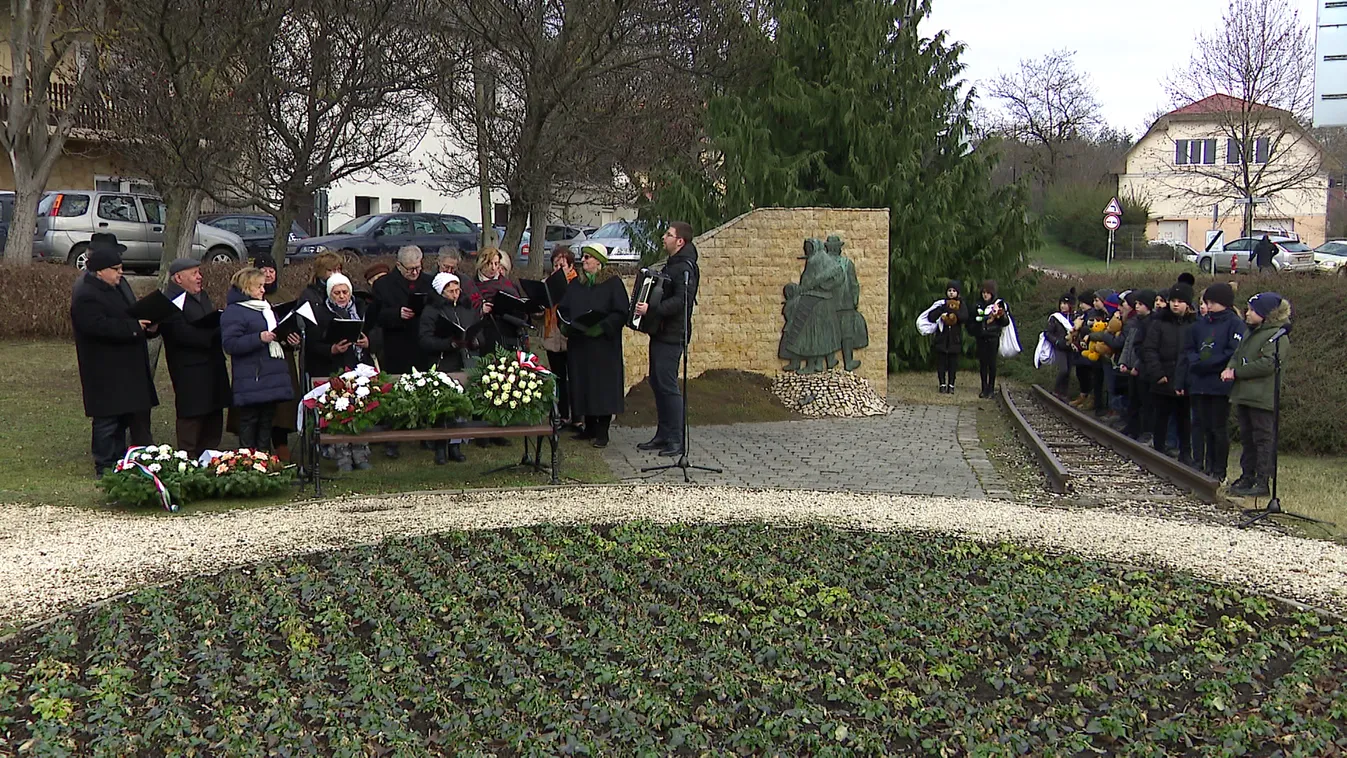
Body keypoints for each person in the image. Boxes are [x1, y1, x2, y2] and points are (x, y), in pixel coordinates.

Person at [70, 235, 159, 478]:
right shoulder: (85, 292)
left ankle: (122, 461)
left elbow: (129, 312)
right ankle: (105, 466)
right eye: (116, 269)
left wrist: (148, 324)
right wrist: (132, 328)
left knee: (123, 417)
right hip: (104, 367)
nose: (121, 273)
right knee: (107, 420)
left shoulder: (117, 285)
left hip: (126, 364)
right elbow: (96, 326)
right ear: (100, 271)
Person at [633, 221, 700, 457]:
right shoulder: (672, 265)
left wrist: (651, 309)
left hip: (673, 335)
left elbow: (682, 300)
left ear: (680, 241)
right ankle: (663, 434)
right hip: (661, 332)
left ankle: (676, 439)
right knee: (657, 382)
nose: (664, 237)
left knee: (668, 386)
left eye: (669, 235)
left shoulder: (685, 268)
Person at [558, 243, 630, 448]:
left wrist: (602, 327)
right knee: (582, 384)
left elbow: (621, 312)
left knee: (602, 388)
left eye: (588, 257)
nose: (584, 261)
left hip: (603, 346)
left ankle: (602, 431)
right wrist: (565, 326)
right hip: (580, 344)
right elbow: (563, 308)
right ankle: (588, 427)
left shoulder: (612, 283)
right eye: (584, 257)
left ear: (599, 261)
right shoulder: (576, 285)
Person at [159, 258, 231, 458]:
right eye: (194, 274)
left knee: (213, 414)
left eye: (199, 272)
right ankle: (188, 457)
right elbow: (181, 334)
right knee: (193, 416)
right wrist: (214, 333)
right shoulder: (169, 302)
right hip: (189, 369)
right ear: (178, 278)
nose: (199, 277)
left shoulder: (202, 296)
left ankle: (209, 456)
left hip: (213, 365)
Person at [1223, 292, 1291, 497]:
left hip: (1262, 397)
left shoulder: (1277, 336)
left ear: (1266, 314)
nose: (1247, 313)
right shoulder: (1249, 333)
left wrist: (1238, 372)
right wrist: (1230, 367)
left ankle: (1263, 480)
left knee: (1263, 439)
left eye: (1252, 310)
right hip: (1245, 394)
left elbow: (1268, 364)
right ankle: (1247, 475)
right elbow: (1237, 355)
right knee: (1247, 438)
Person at [221, 268, 297, 452]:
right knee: (249, 420)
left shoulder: (266, 308)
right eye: (259, 286)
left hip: (271, 375)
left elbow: (275, 334)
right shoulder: (235, 312)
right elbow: (230, 344)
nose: (264, 290)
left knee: (267, 420)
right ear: (247, 287)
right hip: (252, 376)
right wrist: (258, 338)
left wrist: (287, 338)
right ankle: (248, 461)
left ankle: (264, 458)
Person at [372, 246, 435, 458]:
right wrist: (397, 314)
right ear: (398, 266)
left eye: (418, 268)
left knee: (424, 388)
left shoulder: (429, 282)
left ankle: (425, 434)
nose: (415, 273)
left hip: (422, 343)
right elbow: (376, 315)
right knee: (396, 392)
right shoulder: (384, 284)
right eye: (410, 269)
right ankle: (393, 438)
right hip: (396, 344)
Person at [307, 273, 373, 472]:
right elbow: (313, 343)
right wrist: (332, 349)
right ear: (330, 294)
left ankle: (360, 453)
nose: (342, 296)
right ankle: (343, 455)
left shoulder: (361, 307)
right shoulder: (320, 313)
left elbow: (376, 331)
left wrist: (369, 342)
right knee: (340, 411)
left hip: (358, 365)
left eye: (345, 292)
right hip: (334, 367)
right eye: (337, 293)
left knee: (361, 408)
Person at [1184, 283, 1244, 481]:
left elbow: (1233, 350)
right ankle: (1202, 464)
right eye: (1206, 302)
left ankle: (1219, 469)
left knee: (1217, 428)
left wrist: (1209, 364)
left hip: (1219, 384)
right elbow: (1189, 348)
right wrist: (1196, 363)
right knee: (1201, 425)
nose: (1207, 307)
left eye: (1212, 303)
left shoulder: (1234, 324)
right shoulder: (1199, 324)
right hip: (1199, 382)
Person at [419, 272, 480, 464]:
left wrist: (475, 341)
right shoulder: (431, 311)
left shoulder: (466, 307)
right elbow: (424, 340)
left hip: (465, 359)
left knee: (461, 406)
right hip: (443, 361)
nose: (455, 294)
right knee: (443, 406)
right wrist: (449, 343)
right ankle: (440, 447)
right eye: (450, 291)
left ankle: (455, 446)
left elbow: (478, 330)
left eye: (457, 290)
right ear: (441, 292)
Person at [1142, 283, 1196, 464]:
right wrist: (1158, 373)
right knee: (1161, 418)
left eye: (1180, 301)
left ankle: (1186, 453)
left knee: (1184, 420)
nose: (1175, 305)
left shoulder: (1193, 325)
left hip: (1185, 381)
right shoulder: (1158, 323)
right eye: (1173, 300)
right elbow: (1149, 349)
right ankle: (1158, 450)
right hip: (1163, 378)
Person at [541, 246, 579, 426]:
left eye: (562, 266)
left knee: (574, 376)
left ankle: (577, 417)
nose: (557, 269)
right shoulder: (548, 283)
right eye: (555, 266)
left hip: (569, 335)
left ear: (570, 267)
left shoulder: (576, 284)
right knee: (558, 377)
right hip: (552, 333)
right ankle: (562, 414)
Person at [469, 247, 526, 354]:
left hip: (507, 334)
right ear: (481, 263)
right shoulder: (471, 285)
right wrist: (481, 309)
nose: (493, 268)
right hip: (481, 336)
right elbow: (466, 309)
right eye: (489, 263)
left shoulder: (507, 284)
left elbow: (520, 309)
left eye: (496, 263)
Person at [1118, 289, 1156, 441]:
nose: (1137, 307)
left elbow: (1147, 348)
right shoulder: (1135, 322)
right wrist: (1124, 362)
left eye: (1140, 304)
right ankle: (1132, 426)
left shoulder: (1151, 323)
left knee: (1145, 401)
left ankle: (1145, 430)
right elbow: (1129, 344)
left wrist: (1138, 365)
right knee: (1133, 399)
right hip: (1132, 366)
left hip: (1143, 369)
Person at [925, 280, 968, 394]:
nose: (951, 293)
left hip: (955, 339)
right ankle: (942, 384)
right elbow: (931, 316)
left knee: (953, 363)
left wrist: (954, 312)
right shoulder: (942, 304)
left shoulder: (961, 305)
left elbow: (965, 317)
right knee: (941, 363)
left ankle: (951, 384)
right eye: (949, 290)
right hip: (942, 339)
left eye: (954, 291)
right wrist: (942, 311)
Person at [969, 280, 1010, 398]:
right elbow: (971, 322)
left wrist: (1000, 315)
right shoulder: (978, 305)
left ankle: (991, 388)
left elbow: (1005, 322)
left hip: (993, 337)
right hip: (981, 337)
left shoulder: (998, 304)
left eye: (987, 293)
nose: (985, 295)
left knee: (992, 363)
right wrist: (977, 330)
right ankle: (984, 387)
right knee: (983, 364)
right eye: (983, 293)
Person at [1046, 289, 1076, 399]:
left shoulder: (1075, 318)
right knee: (1063, 370)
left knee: (1068, 371)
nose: (1063, 306)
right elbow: (1048, 333)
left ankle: (1064, 392)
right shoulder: (1055, 318)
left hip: (1070, 347)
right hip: (1059, 347)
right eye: (1062, 303)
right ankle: (1057, 390)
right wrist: (1057, 341)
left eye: (1066, 304)